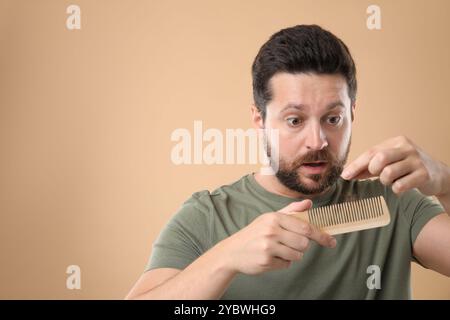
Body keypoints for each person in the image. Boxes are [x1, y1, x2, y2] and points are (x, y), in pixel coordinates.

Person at [125, 25, 450, 299]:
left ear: (352, 113)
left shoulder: (395, 203)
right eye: (295, 120)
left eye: (333, 119)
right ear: (259, 118)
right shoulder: (208, 217)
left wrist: (447, 184)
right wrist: (226, 258)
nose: (317, 141)